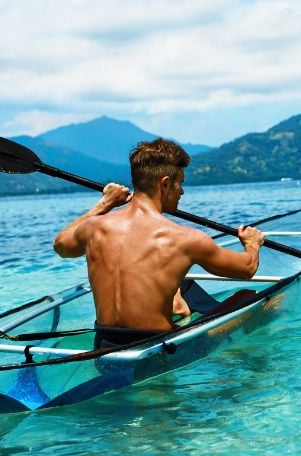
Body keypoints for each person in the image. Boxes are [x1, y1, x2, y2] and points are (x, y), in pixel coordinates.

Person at [52, 138, 265, 347]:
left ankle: (178, 303)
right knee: (249, 297)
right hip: (158, 349)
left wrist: (105, 203)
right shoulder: (185, 238)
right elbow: (246, 269)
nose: (181, 191)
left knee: (176, 285)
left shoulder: (94, 227)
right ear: (164, 183)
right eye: (179, 183)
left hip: (104, 343)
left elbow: (61, 245)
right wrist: (252, 244)